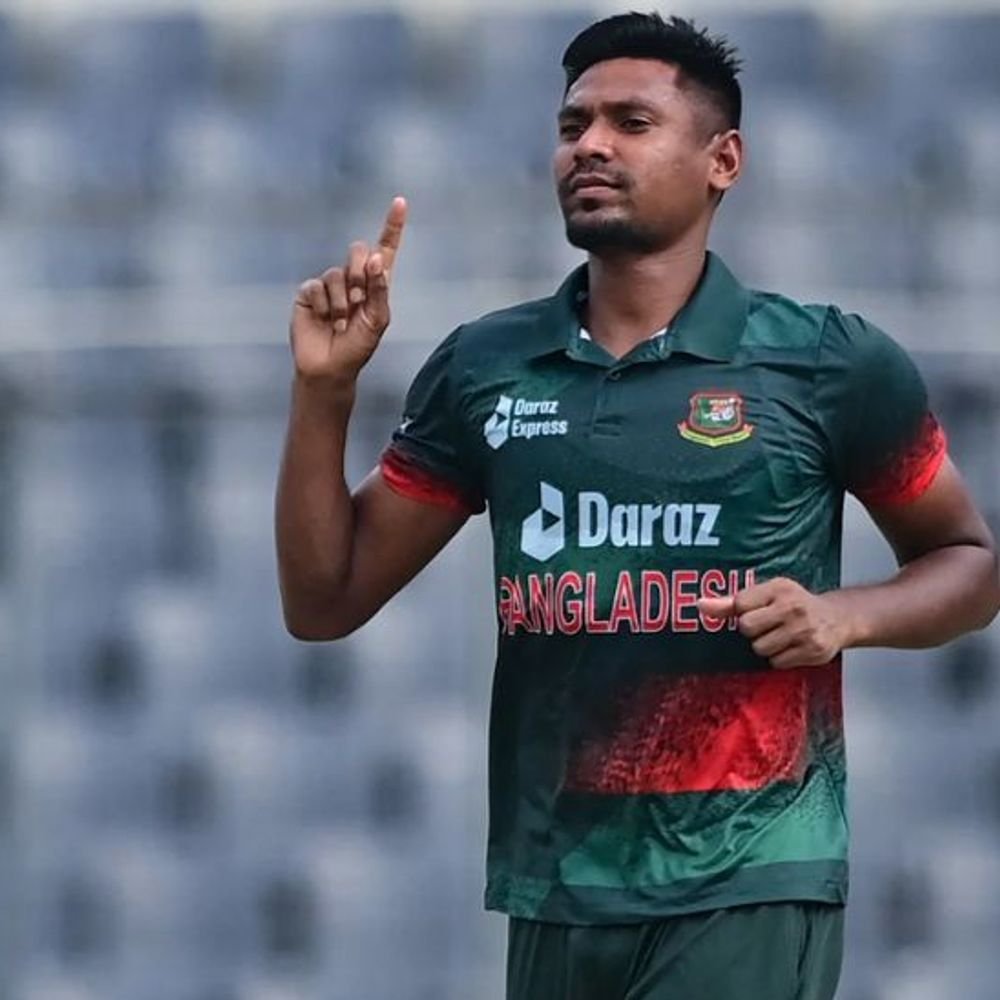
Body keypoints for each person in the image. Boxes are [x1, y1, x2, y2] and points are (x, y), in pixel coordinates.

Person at [275, 13, 1000, 1000]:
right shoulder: (488, 365)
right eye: (572, 125)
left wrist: (844, 616)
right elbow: (324, 602)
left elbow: (970, 565)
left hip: (748, 870)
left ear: (723, 160)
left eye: (632, 122)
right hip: (554, 882)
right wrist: (324, 392)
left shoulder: (825, 359)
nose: (590, 146)